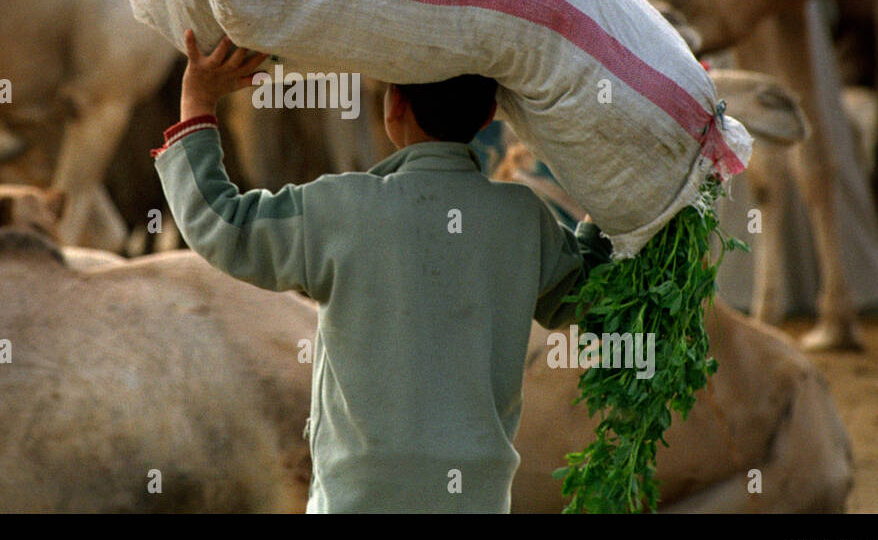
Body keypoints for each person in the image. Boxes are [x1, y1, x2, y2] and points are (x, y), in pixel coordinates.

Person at [152, 30, 612, 513]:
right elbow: (592, 296)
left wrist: (198, 98)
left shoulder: (342, 207)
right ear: (488, 116)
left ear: (393, 105)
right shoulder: (522, 219)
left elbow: (221, 224)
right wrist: (604, 209)